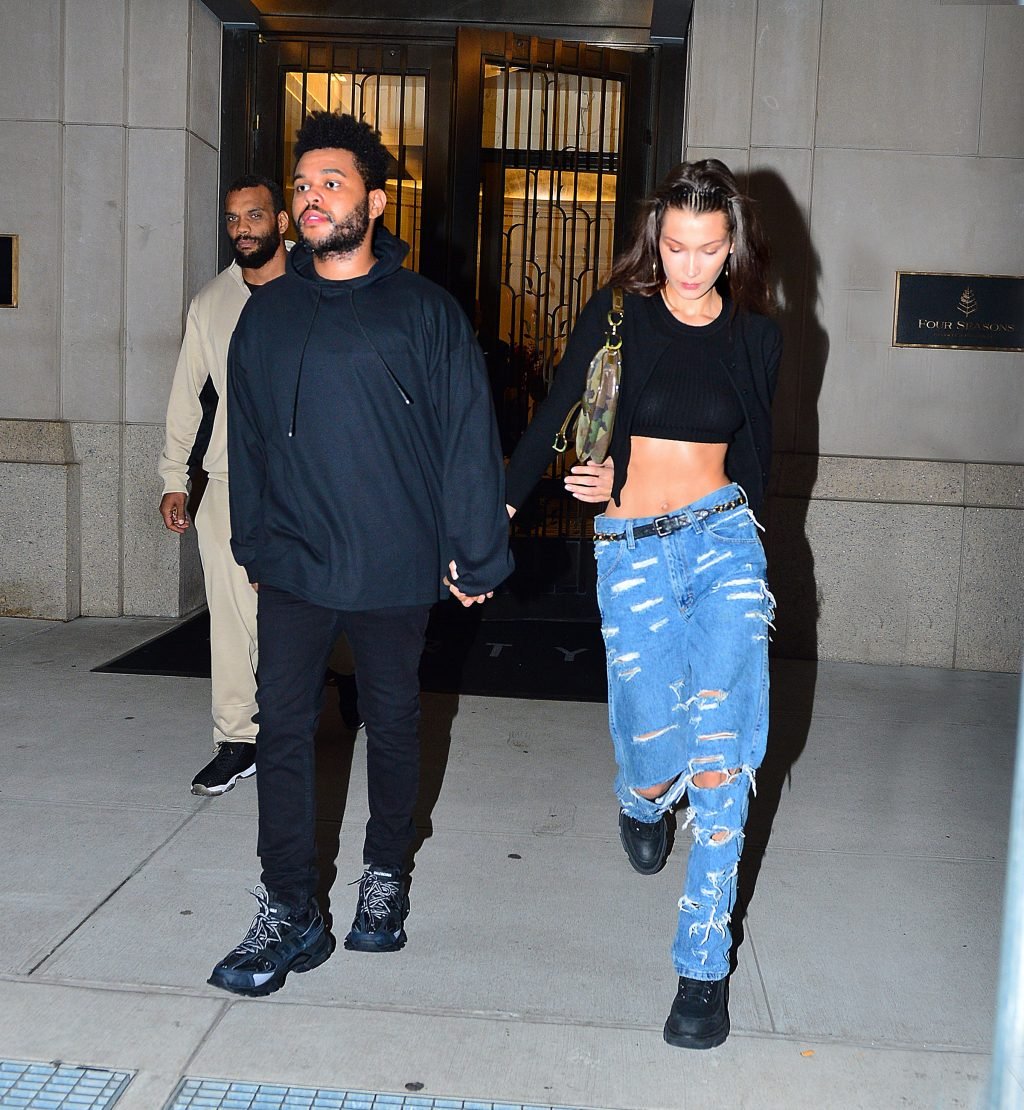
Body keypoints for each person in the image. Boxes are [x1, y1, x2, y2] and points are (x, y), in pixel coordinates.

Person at [209, 111, 514, 997]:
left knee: (393, 719)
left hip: (393, 559)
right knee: (282, 728)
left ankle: (385, 873)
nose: (311, 199)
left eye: (331, 184)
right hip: (295, 563)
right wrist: (253, 542)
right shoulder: (265, 317)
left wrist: (474, 553)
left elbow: (467, 437)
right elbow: (247, 439)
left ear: (375, 203)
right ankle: (289, 907)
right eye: (303, 186)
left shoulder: (425, 311)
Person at [497, 160, 781, 1050]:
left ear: (732, 246)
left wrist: (764, 551)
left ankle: (702, 967)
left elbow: (760, 455)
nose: (690, 268)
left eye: (708, 249)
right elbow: (560, 413)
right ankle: (641, 797)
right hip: (632, 549)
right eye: (675, 247)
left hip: (725, 540)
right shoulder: (619, 313)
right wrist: (501, 512)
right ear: (656, 240)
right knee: (657, 755)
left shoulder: (759, 336)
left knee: (723, 758)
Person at [158, 175, 290, 796]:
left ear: (282, 221)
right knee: (233, 618)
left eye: (254, 216)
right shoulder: (210, 302)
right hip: (231, 480)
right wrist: (174, 477)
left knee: (315, 605)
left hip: (310, 482)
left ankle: (341, 683)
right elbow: (186, 395)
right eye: (233, 219)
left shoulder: (321, 286)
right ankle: (238, 738)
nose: (242, 229)